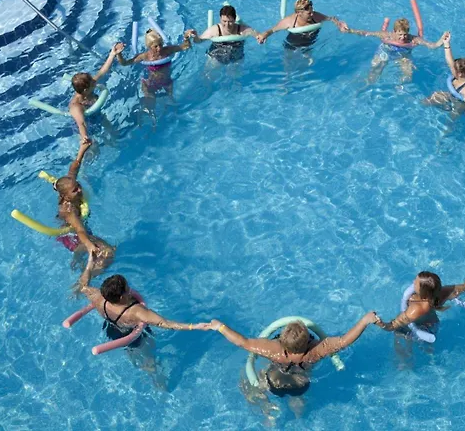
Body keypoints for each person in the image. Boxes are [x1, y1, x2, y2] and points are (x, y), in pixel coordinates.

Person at [75, 256, 203, 388]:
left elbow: (83, 285)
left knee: (131, 351)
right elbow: (165, 323)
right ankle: (159, 382)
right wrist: (196, 326)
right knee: (150, 360)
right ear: (122, 297)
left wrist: (90, 263)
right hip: (135, 335)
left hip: (112, 330)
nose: (130, 289)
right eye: (127, 288)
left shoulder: (99, 299)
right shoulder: (135, 312)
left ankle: (136, 360)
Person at [195, 312, 379, 397]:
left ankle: (266, 411)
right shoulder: (316, 350)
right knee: (298, 402)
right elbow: (344, 341)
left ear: (282, 341)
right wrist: (364, 321)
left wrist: (220, 327)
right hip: (301, 382)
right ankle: (298, 412)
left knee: (251, 384)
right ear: (308, 341)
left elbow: (242, 342)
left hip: (273, 378)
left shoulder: (273, 349)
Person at [374, 258, 465, 335]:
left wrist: (378, 323)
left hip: (423, 329)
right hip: (433, 325)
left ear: (423, 291)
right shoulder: (441, 292)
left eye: (415, 283)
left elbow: (392, 326)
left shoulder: (416, 309)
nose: (413, 282)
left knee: (399, 336)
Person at [117, 28, 196, 127]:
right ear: (149, 46)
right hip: (151, 84)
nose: (159, 48)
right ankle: (143, 120)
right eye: (155, 46)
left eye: (161, 45)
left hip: (167, 82)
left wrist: (186, 37)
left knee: (172, 103)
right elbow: (124, 63)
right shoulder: (145, 56)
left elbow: (185, 46)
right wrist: (119, 54)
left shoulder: (167, 50)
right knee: (150, 106)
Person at [54, 140, 114, 270]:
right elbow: (80, 230)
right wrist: (89, 245)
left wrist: (82, 150)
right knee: (107, 253)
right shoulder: (69, 210)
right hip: (73, 237)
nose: (80, 190)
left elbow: (73, 169)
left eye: (78, 186)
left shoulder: (68, 187)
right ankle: (84, 272)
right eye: (75, 190)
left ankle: (79, 257)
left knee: (108, 250)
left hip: (81, 230)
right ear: (66, 196)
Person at [345, 19, 446, 83]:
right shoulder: (387, 36)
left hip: (403, 56)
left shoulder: (413, 39)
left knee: (408, 77)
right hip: (385, 52)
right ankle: (365, 84)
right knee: (374, 74)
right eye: (400, 34)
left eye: (405, 34)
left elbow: (431, 45)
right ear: (394, 31)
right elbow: (366, 33)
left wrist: (440, 41)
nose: (403, 37)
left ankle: (399, 88)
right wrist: (349, 30)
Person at [69, 43, 125, 144]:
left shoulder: (89, 86)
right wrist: (84, 136)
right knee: (93, 147)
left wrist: (112, 54)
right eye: (92, 83)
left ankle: (115, 142)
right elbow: (81, 124)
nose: (95, 82)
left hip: (97, 115)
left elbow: (103, 71)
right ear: (85, 90)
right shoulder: (76, 105)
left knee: (113, 132)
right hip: (87, 124)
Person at [256, 0, 348, 50]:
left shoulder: (315, 16)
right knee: (288, 63)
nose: (312, 14)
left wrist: (339, 24)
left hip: (311, 40)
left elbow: (331, 18)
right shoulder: (289, 21)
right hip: (293, 42)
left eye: (312, 11)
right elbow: (272, 30)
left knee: (307, 64)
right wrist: (264, 35)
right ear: (299, 13)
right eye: (309, 13)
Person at [423, 32, 465, 118]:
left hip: (461, 104)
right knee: (433, 96)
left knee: (450, 118)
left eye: (454, 68)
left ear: (460, 74)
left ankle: (448, 126)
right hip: (452, 96)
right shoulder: (458, 75)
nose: (452, 67)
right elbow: (449, 61)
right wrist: (446, 44)